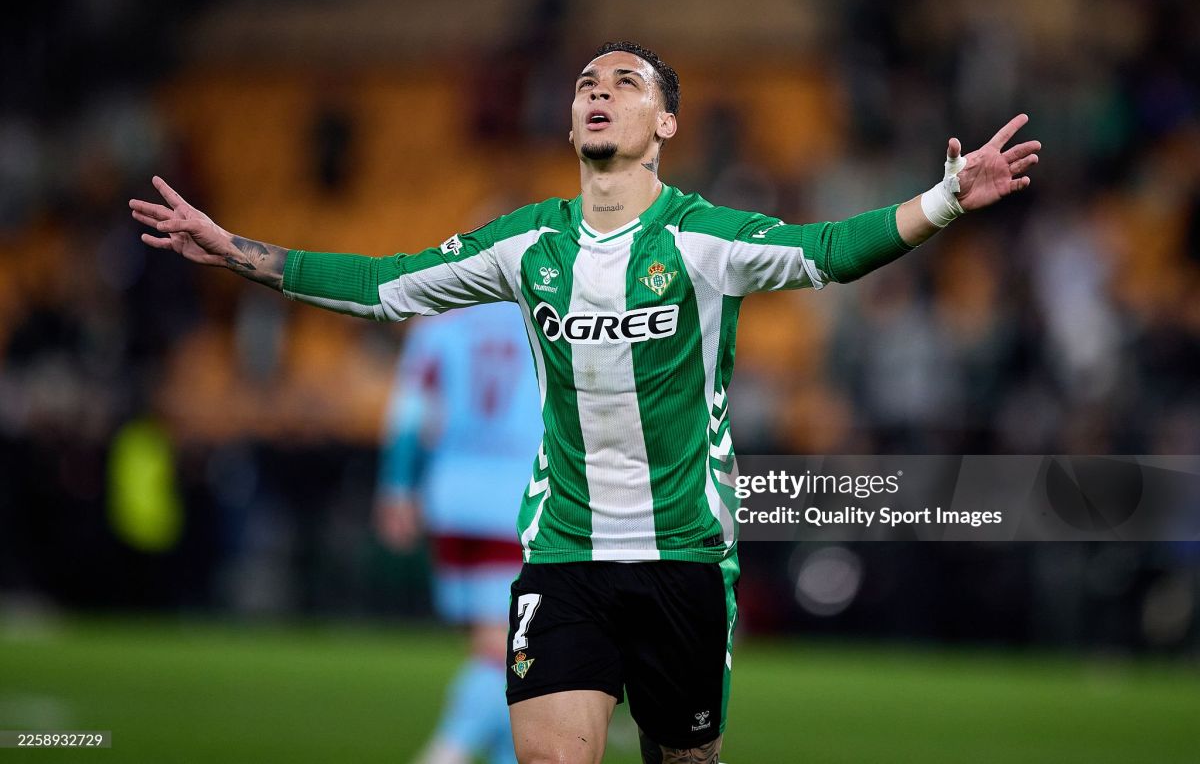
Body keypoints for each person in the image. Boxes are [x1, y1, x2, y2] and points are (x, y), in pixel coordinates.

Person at [130, 40, 1040, 764]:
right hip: (564, 552)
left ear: (666, 121)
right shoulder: (528, 244)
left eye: (625, 82)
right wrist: (234, 249)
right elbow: (384, 284)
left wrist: (946, 199)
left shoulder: (703, 238)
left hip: (684, 554)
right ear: (571, 122)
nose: (598, 91)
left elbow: (832, 249)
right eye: (585, 85)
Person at [375, 301, 542, 764]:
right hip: (520, 497)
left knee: (501, 647)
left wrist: (396, 487)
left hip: (449, 496)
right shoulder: (544, 311)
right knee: (510, 648)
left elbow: (411, 413)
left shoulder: (438, 319)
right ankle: (450, 747)